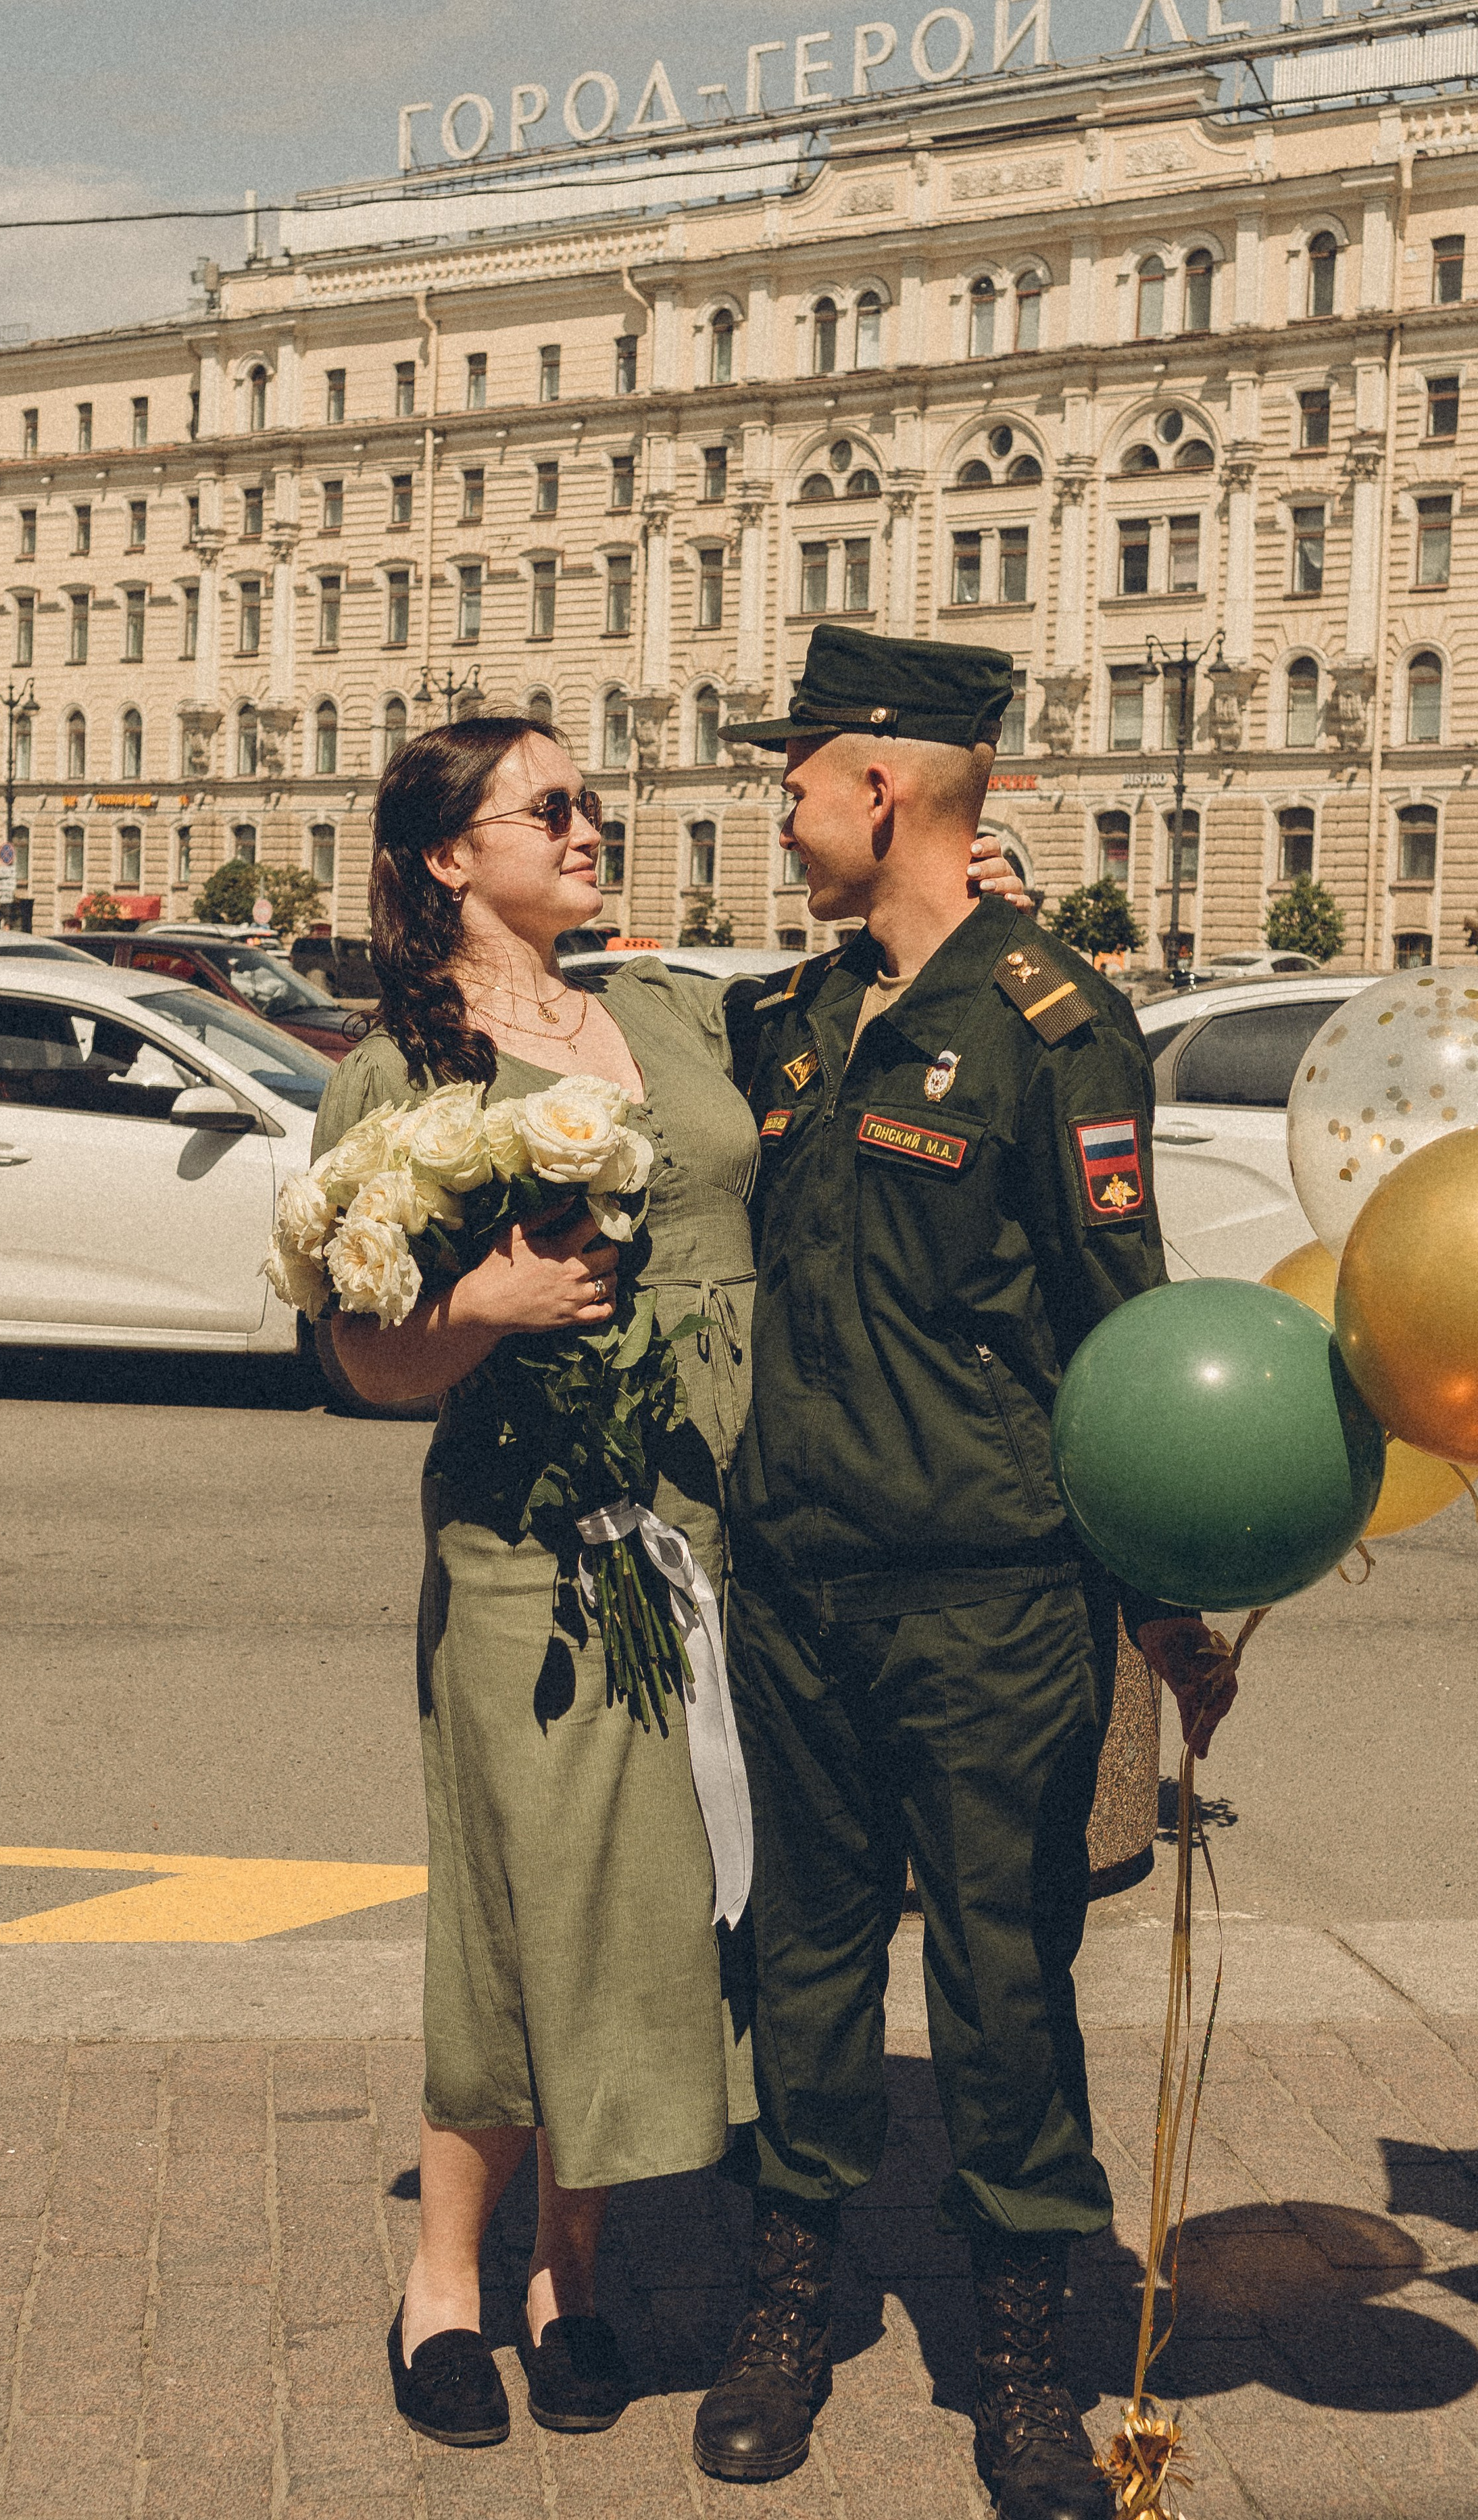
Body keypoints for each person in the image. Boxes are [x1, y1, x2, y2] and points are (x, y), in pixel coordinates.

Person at [313, 714, 1033, 2454]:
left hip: (726, 1518)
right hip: (530, 1538)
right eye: (546, 807)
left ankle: (571, 2282)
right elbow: (350, 1353)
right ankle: (440, 2288)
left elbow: (870, 1000)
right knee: (520, 1902)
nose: (587, 824)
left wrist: (975, 909)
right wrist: (472, 1316)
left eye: (588, 800)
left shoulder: (666, 1011)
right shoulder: (396, 1067)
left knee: (658, 1916)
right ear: (442, 856)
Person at [691, 628, 1224, 2516]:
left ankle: (1022, 2372)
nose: (777, 801)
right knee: (805, 1965)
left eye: (796, 773)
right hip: (800, 1582)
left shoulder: (1056, 1026)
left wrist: (1170, 1607)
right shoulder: (794, 1018)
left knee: (1008, 1985)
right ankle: (787, 2317)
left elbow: (1121, 1334)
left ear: (883, 787)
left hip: (991, 1599)